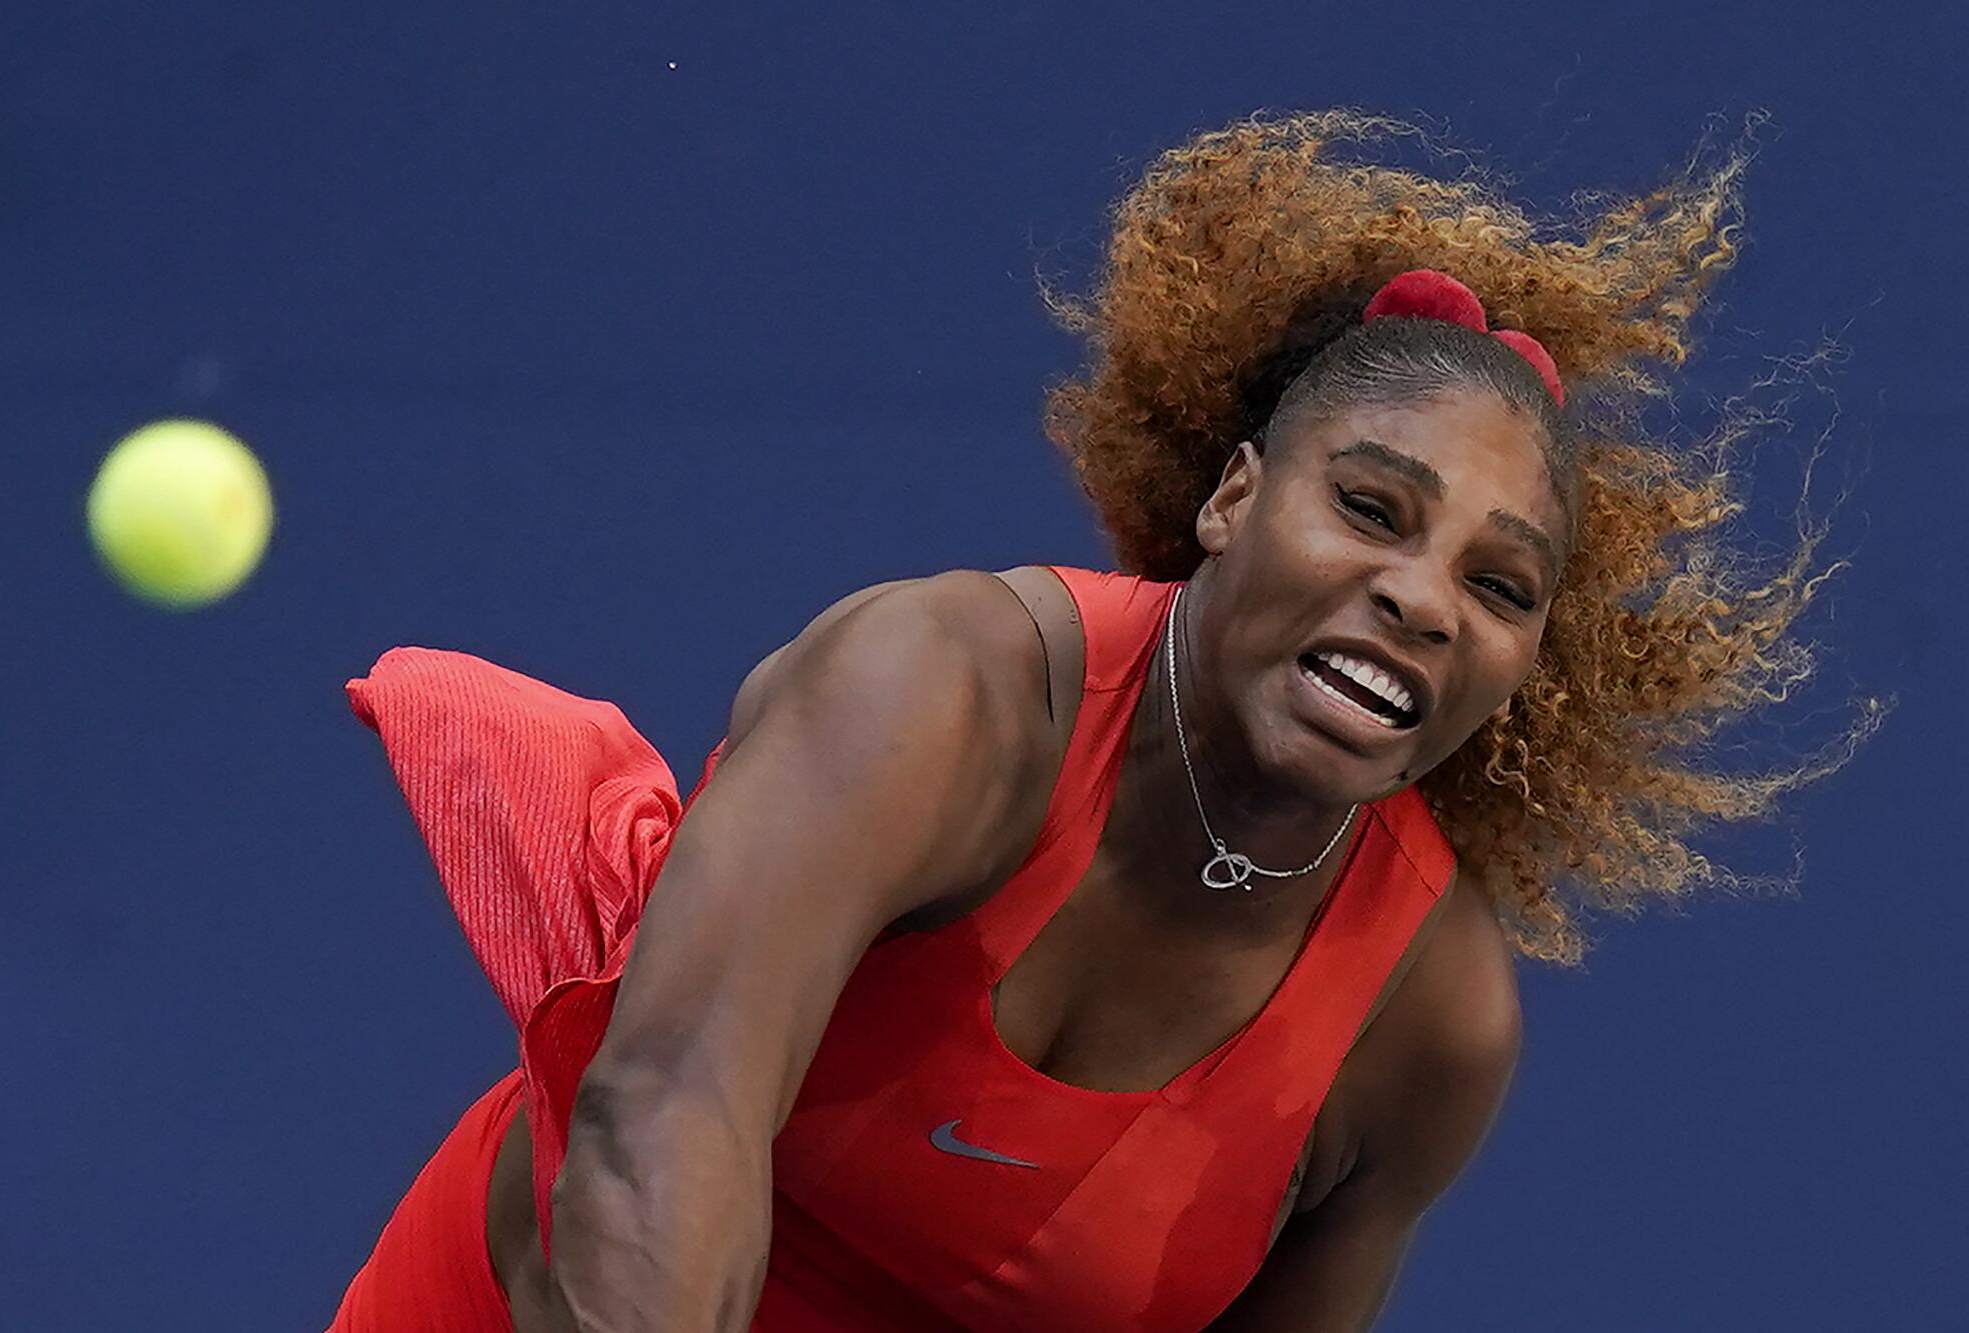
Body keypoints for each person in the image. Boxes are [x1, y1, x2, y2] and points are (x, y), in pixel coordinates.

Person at [327, 111, 1870, 1332]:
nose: (1421, 596)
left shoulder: (1430, 1026)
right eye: (1372, 507)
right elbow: (662, 1115)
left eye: (1500, 583)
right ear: (1233, 496)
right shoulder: (936, 692)